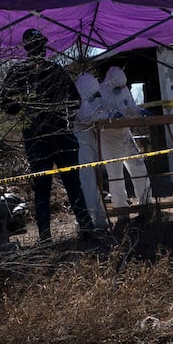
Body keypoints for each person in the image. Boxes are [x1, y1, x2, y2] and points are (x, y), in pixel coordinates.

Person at [0, 28, 97, 242]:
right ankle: (59, 235)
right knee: (62, 187)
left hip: (50, 138)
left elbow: (75, 101)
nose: (40, 49)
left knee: (52, 189)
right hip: (49, 137)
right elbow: (8, 104)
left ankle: (57, 236)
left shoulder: (42, 72)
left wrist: (42, 108)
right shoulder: (35, 72)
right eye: (38, 45)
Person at [99, 66, 151, 209]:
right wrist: (110, 116)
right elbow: (97, 114)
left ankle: (146, 203)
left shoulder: (124, 89)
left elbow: (131, 106)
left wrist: (139, 111)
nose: (121, 89)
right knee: (115, 175)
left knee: (139, 168)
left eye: (123, 86)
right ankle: (121, 209)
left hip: (125, 134)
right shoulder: (101, 92)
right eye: (119, 86)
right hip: (109, 138)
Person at [72, 69, 111, 231]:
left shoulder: (88, 99)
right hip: (82, 148)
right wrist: (104, 115)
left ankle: (99, 220)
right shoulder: (79, 102)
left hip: (89, 145)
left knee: (94, 185)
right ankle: (89, 222)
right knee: (88, 186)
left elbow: (98, 111)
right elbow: (86, 116)